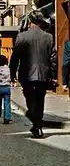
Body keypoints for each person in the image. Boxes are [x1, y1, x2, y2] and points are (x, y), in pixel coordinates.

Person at [10, 10, 57, 139]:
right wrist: (53, 75)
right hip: (43, 74)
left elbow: (15, 57)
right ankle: (38, 125)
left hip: (27, 74)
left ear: (29, 21)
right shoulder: (48, 37)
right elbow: (53, 57)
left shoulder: (22, 36)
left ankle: (36, 125)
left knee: (30, 99)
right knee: (40, 100)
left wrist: (12, 73)